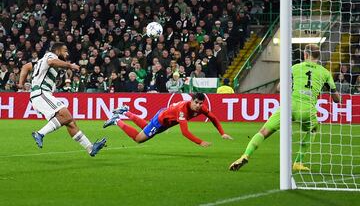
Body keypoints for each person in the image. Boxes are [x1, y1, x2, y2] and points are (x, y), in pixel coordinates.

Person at [229, 44, 341, 171]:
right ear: (318, 56)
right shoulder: (325, 73)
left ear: (305, 54)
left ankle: (245, 155)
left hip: (289, 106)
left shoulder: (295, 68)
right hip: (307, 109)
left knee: (263, 132)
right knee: (312, 130)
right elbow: (336, 100)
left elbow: (278, 88)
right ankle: (298, 162)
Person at [18, 42, 106, 157]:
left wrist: (21, 83)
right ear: (58, 50)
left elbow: (25, 67)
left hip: (42, 95)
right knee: (66, 116)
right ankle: (39, 133)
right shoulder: (50, 56)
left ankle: (90, 148)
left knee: (70, 122)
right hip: (41, 93)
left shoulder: (38, 62)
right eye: (65, 51)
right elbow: (51, 61)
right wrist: (70, 65)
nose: (67, 53)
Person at [103, 93, 233, 146]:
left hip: (166, 116)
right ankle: (116, 120)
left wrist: (222, 133)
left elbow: (213, 118)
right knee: (139, 139)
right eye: (196, 103)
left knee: (146, 128)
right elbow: (185, 132)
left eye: (200, 103)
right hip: (161, 121)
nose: (198, 106)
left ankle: (126, 111)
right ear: (191, 100)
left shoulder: (201, 108)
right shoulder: (183, 110)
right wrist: (200, 142)